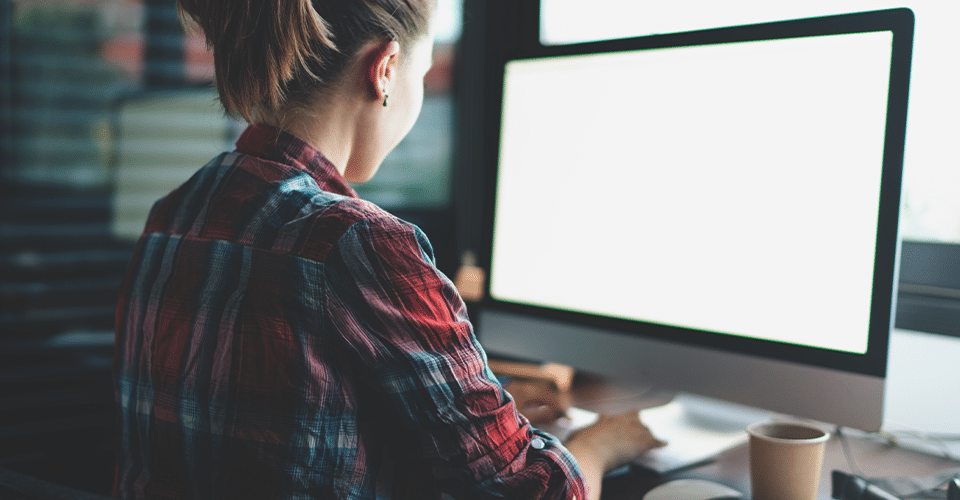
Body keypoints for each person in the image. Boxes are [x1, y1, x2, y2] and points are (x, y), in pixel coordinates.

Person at [112, 1, 664, 499]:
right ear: (386, 69)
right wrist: (602, 442)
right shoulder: (360, 242)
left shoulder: (175, 213)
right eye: (421, 75)